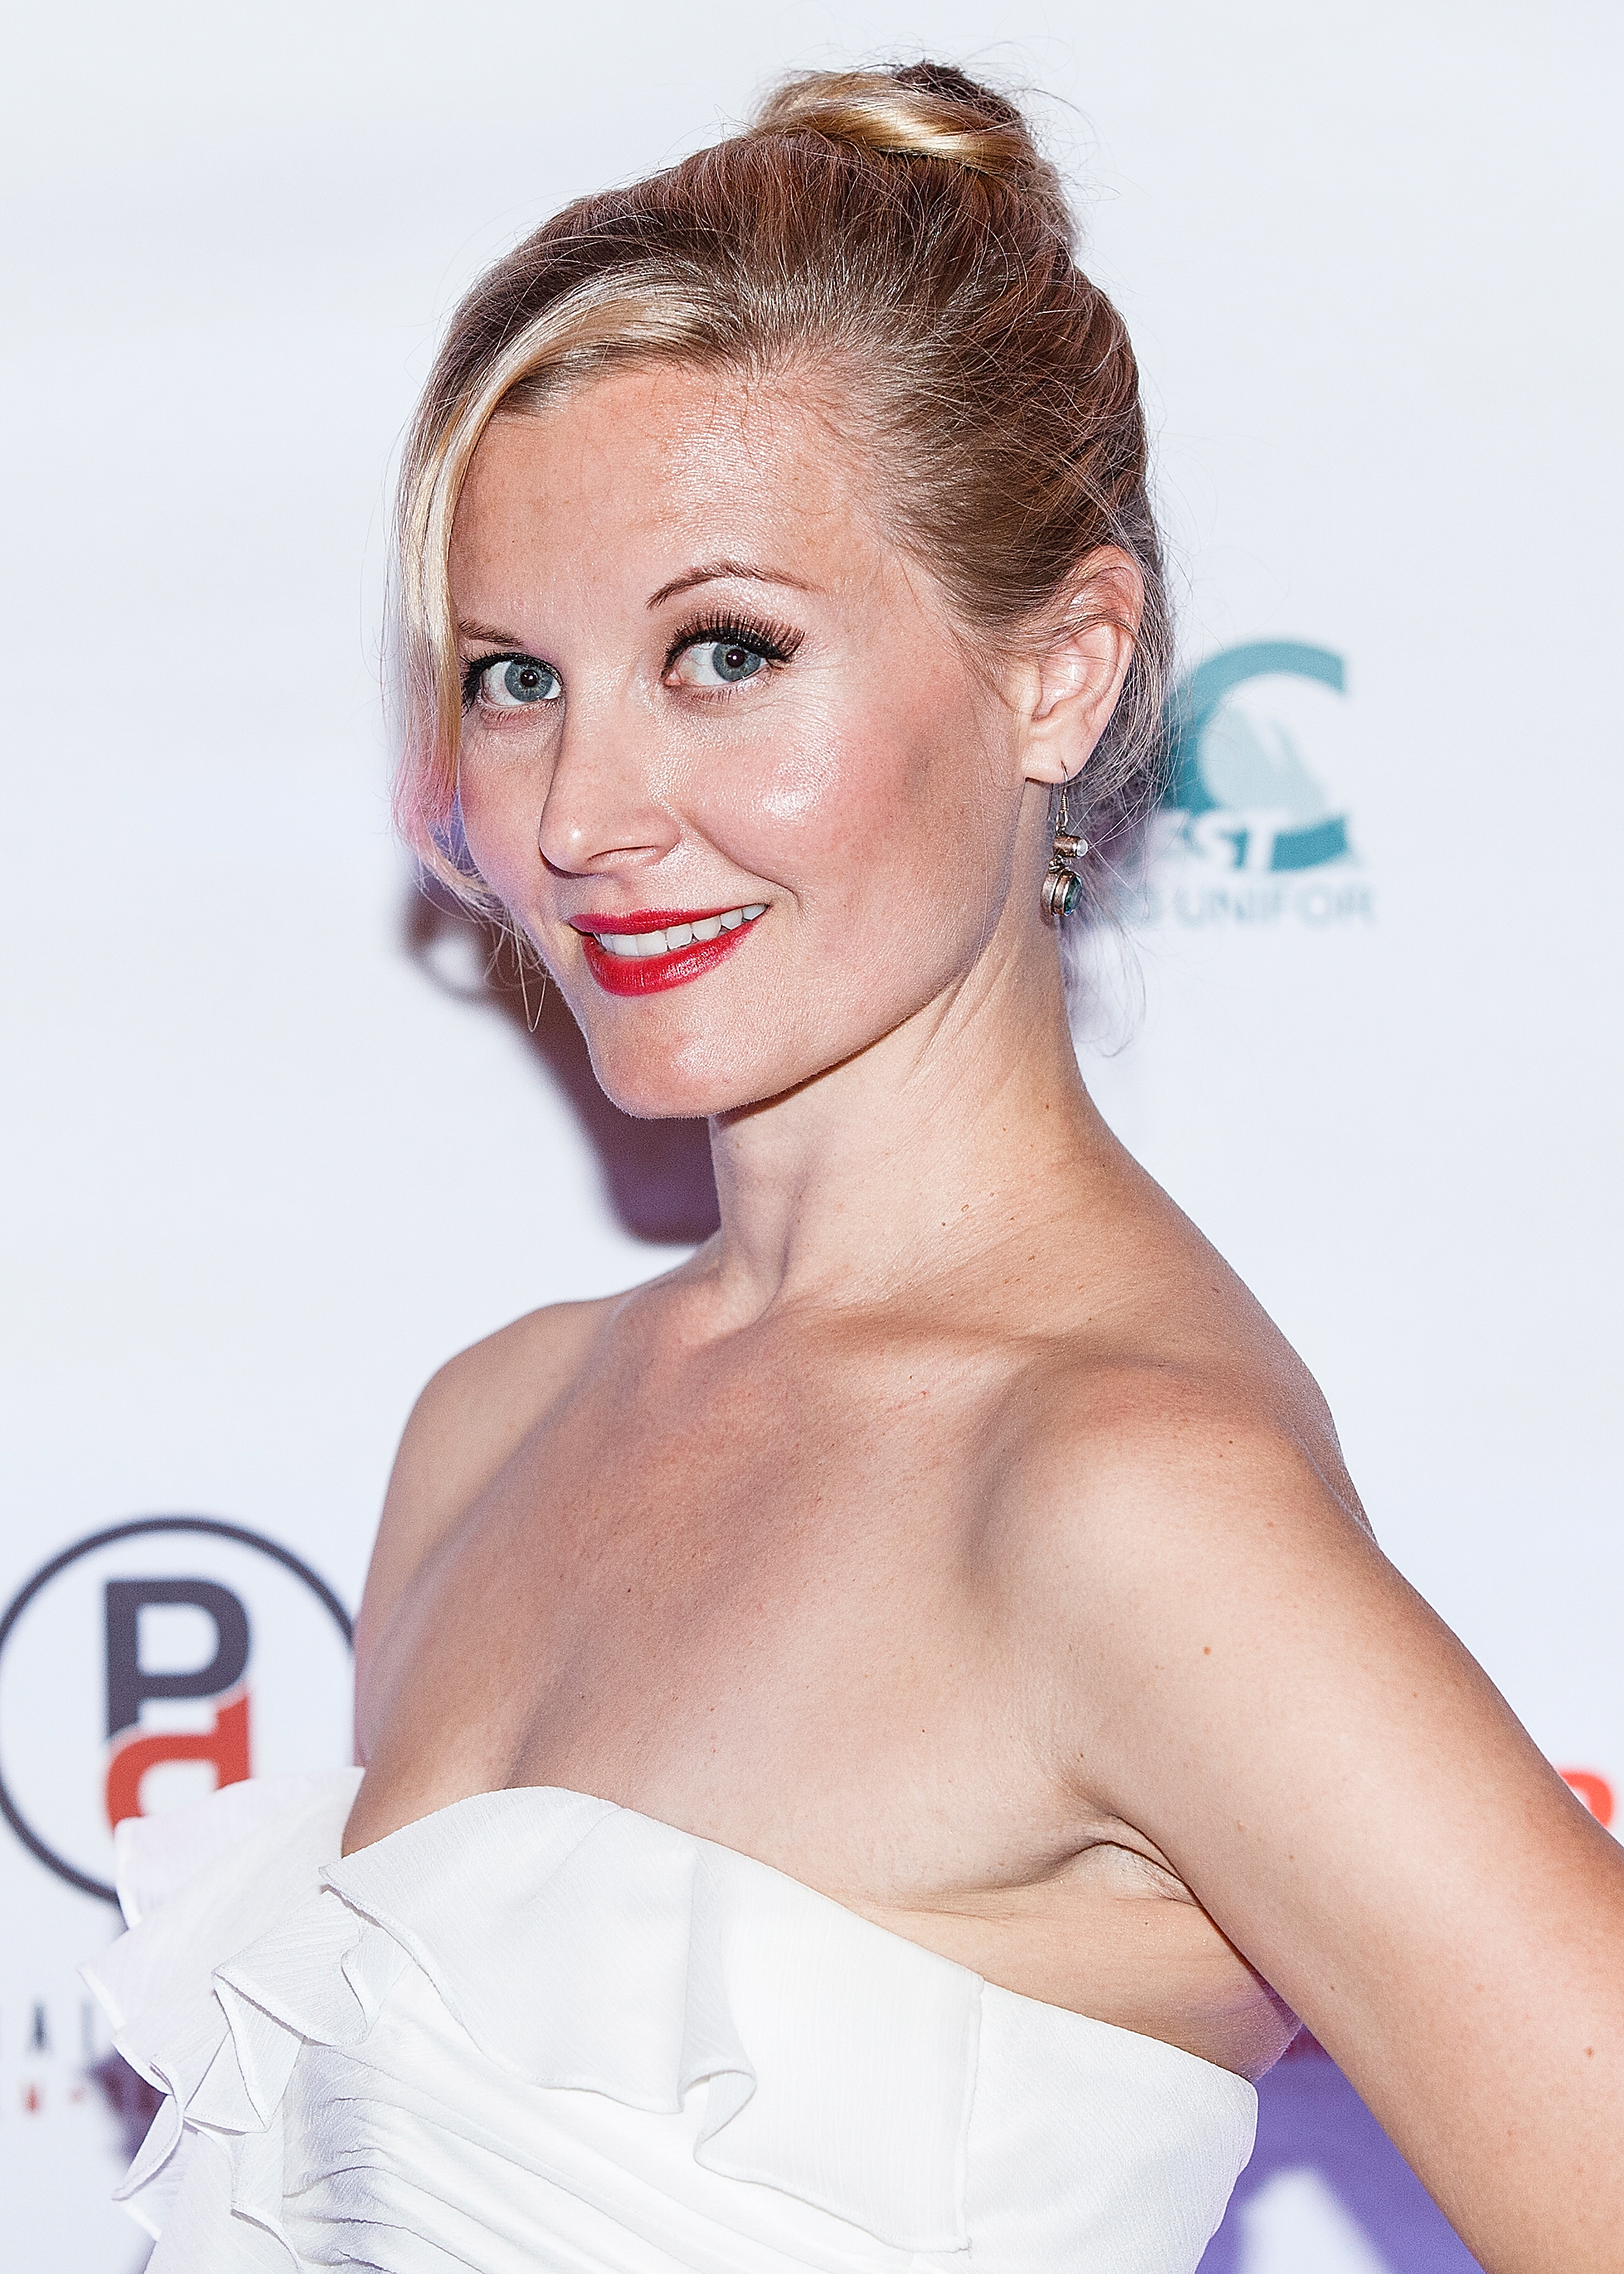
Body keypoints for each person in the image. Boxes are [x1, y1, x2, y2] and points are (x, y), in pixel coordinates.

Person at [86, 61, 1622, 2274]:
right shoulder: (491, 1426)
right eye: (517, 677)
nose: (583, 814)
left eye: (728, 653)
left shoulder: (1122, 1501)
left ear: (1059, 674)